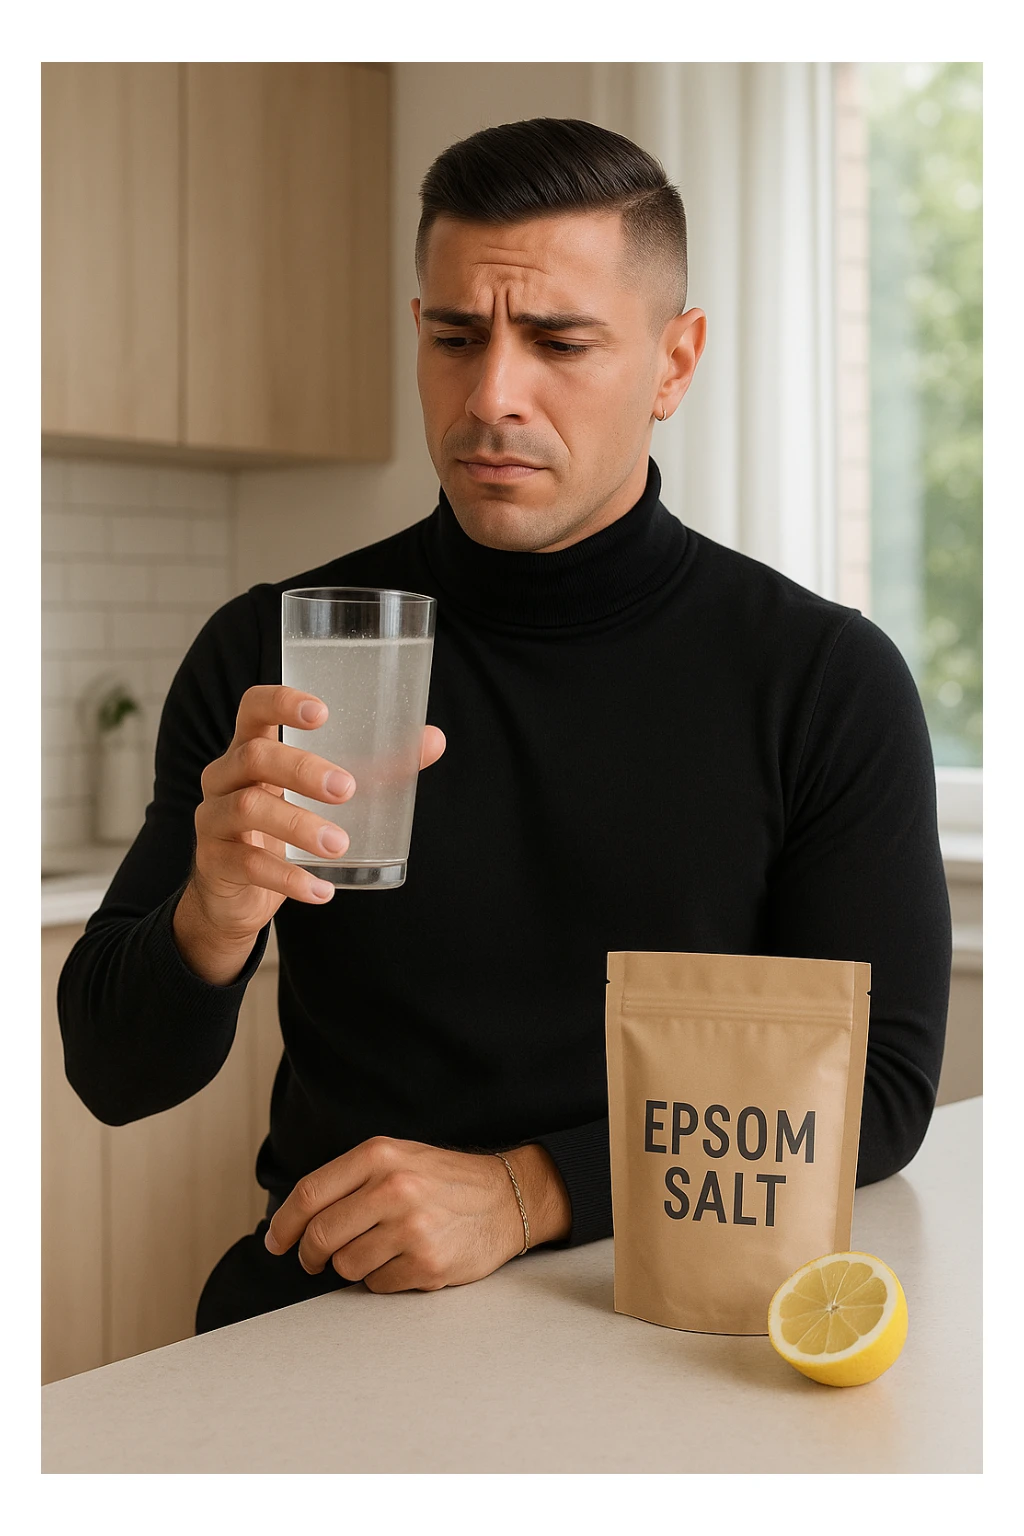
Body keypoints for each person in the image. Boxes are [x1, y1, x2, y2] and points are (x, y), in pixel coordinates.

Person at [57, 117, 951, 1332]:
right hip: (331, 1305)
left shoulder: (821, 678)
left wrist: (525, 1193)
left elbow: (880, 1091)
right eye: (455, 336)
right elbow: (115, 1078)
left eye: (558, 341)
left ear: (674, 364)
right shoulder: (275, 648)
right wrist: (210, 914)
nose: (491, 397)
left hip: (649, 1302)